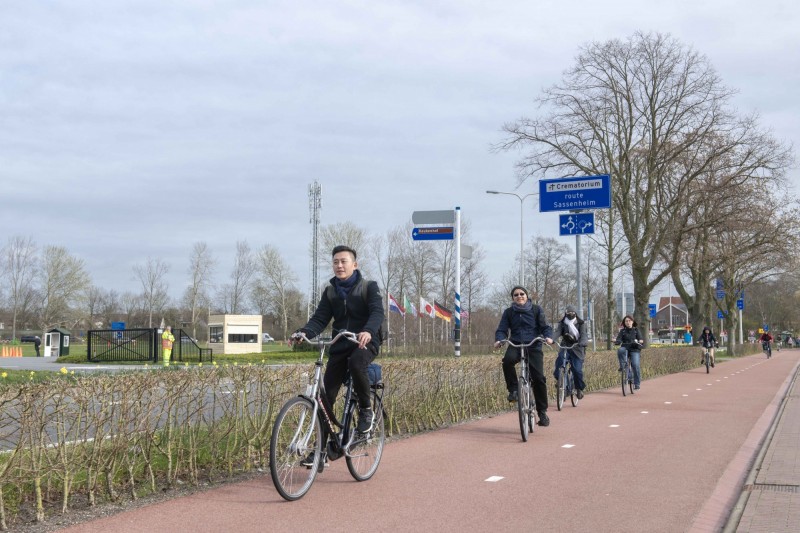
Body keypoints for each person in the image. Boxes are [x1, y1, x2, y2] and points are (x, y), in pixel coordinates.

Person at [293, 245, 385, 444]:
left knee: (356, 363)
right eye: (336, 262)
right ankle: (321, 450)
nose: (339, 265)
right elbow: (320, 318)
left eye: (344, 261)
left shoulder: (369, 287)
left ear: (354, 264)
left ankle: (366, 411)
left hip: (364, 342)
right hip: (340, 343)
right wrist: (304, 332)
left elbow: (377, 312)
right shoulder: (330, 292)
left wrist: (368, 331)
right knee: (326, 398)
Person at [494, 286, 554, 427]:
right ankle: (514, 390)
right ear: (513, 298)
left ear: (527, 296)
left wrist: (548, 337)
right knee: (507, 361)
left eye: (522, 294)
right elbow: (502, 329)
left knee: (538, 378)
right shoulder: (509, 312)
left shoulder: (536, 309)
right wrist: (499, 340)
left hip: (533, 344)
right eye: (516, 295)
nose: (519, 296)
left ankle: (542, 413)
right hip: (515, 343)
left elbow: (545, 326)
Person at [552, 305, 589, 399]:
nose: (570, 315)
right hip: (565, 346)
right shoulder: (562, 323)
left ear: (575, 313)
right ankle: (562, 382)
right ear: (565, 313)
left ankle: (579, 388)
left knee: (577, 370)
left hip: (577, 347)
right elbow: (557, 332)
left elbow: (584, 335)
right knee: (559, 362)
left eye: (572, 313)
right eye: (568, 313)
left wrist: (583, 342)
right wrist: (552, 339)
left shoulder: (581, 323)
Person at [615, 315, 644, 390]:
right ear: (624, 323)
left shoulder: (636, 330)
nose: (628, 322)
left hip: (634, 349)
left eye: (629, 321)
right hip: (625, 347)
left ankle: (637, 383)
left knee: (635, 365)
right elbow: (619, 338)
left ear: (632, 322)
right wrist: (617, 341)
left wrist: (640, 341)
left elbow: (640, 339)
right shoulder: (622, 331)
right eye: (626, 321)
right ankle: (623, 366)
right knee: (620, 350)